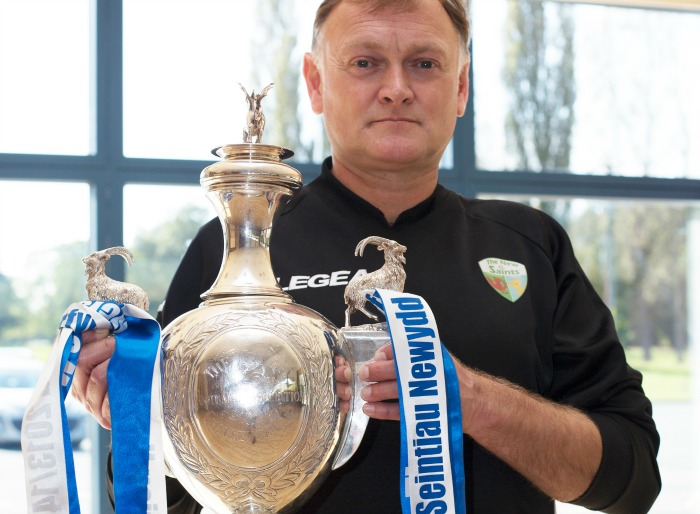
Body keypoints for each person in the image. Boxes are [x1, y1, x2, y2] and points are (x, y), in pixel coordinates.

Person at [73, 0, 661, 512]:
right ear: (316, 84)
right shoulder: (237, 246)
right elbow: (162, 498)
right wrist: (129, 414)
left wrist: (468, 398)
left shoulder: (529, 246)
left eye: (425, 64)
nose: (397, 87)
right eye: (365, 62)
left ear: (460, 88)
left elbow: (631, 482)